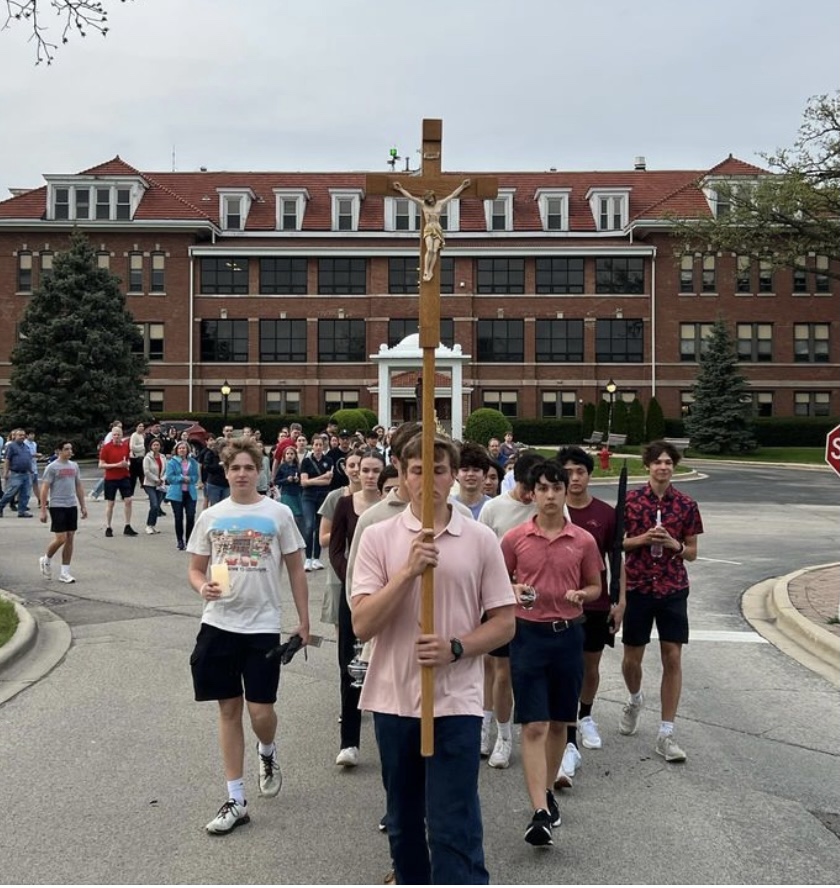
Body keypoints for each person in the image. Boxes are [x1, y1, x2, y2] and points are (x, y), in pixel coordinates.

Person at [351, 434, 516, 884]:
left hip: (455, 701)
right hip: (393, 699)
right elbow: (363, 623)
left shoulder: (480, 539)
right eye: (418, 470)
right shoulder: (378, 537)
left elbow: (504, 622)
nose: (429, 479)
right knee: (403, 823)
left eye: (439, 469)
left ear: (453, 475)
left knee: (452, 823)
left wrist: (456, 647)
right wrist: (408, 572)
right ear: (403, 478)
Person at [187, 437, 309, 835]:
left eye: (248, 468)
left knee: (261, 712)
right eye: (234, 468)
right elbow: (196, 568)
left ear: (260, 471)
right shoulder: (212, 516)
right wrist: (202, 586)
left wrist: (303, 622)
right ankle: (236, 798)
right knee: (228, 710)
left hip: (262, 627)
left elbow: (294, 569)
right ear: (225, 473)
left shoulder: (278, 513)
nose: (241, 474)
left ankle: (268, 751)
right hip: (219, 623)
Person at [500, 459, 602, 846]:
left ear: (565, 492)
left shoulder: (583, 541)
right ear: (533, 493)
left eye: (556, 488)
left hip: (568, 634)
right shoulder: (515, 538)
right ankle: (539, 809)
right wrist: (512, 590)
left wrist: (583, 595)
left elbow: (595, 586)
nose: (549, 495)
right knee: (535, 724)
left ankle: (548, 794)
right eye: (542, 488)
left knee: (560, 722)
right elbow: (496, 580)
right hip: (528, 634)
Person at [619, 440, 703, 763]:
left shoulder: (685, 504)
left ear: (674, 467)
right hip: (638, 587)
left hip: (672, 589)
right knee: (632, 660)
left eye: (668, 462)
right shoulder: (630, 501)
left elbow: (693, 552)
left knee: (672, 657)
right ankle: (635, 698)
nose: (663, 467)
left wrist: (673, 544)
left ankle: (666, 733)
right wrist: (642, 540)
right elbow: (617, 545)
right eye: (658, 462)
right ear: (648, 466)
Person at [553, 446, 626, 788]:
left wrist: (620, 601)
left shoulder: (604, 514)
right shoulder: (553, 510)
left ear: (589, 475)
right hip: (558, 606)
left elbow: (616, 559)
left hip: (595, 604)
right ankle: (566, 732)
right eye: (567, 472)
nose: (574, 478)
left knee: (590, 665)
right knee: (565, 669)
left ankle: (585, 714)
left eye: (580, 471)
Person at [477, 450, 546, 769]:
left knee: (529, 672)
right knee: (498, 671)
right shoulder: (494, 508)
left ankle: (532, 732)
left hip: (539, 604)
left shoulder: (546, 508)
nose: (533, 495)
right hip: (499, 600)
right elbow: (481, 555)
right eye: (529, 488)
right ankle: (499, 734)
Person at [329, 448, 386, 768]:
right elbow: (336, 548)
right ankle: (349, 741)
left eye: (375, 470)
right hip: (352, 592)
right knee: (350, 665)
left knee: (384, 661)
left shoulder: (390, 507)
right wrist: (351, 575)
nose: (369, 475)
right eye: (365, 469)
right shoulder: (345, 505)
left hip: (386, 593)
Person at [392, 178, 471, 281]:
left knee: (434, 250)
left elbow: (452, 195)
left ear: (434, 197)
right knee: (429, 249)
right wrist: (400, 189)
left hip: (437, 228)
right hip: (429, 227)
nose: (431, 201)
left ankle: (430, 271)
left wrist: (462, 186)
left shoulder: (440, 204)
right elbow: (410, 197)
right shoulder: (423, 205)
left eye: (432, 199)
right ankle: (425, 270)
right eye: (429, 200)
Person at [38, 442, 87, 583]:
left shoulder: (74, 466)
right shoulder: (52, 467)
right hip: (57, 505)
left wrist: (83, 505)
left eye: (70, 449)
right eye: (66, 449)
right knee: (61, 538)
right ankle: (46, 559)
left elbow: (78, 486)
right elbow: (44, 488)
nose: (69, 451)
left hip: (71, 505)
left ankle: (65, 572)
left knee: (70, 537)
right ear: (58, 451)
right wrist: (43, 509)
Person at [299, 435, 333, 571]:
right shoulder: (306, 462)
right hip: (308, 496)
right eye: (316, 445)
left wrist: (315, 480)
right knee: (308, 526)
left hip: (323, 496)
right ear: (312, 446)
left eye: (320, 445)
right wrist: (322, 476)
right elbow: (304, 482)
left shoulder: (328, 460)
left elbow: (328, 481)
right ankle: (307, 558)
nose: (318, 447)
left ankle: (317, 558)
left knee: (320, 527)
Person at [98, 424, 138, 537]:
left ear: (122, 435)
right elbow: (101, 465)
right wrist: (117, 465)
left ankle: (127, 525)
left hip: (124, 476)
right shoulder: (106, 448)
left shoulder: (125, 446)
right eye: (114, 435)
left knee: (128, 500)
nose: (116, 437)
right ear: (112, 435)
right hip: (111, 478)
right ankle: (108, 526)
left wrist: (127, 464)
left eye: (118, 435)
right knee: (111, 503)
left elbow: (129, 460)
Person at [164, 440, 200, 550]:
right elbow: (170, 478)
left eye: (184, 448)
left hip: (190, 493)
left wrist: (190, 479)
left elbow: (195, 477)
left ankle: (190, 540)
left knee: (190, 516)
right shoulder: (172, 462)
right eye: (180, 448)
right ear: (176, 450)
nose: (182, 450)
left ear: (187, 450)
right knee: (178, 517)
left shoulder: (193, 462)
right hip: (176, 494)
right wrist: (182, 478)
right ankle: (180, 540)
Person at [452, 442, 492, 519]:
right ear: (456, 474)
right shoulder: (449, 506)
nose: (470, 474)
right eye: (465, 470)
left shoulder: (492, 506)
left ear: (484, 475)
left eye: (476, 470)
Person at [0, 428, 34, 518]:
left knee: (25, 493)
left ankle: (22, 511)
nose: (22, 437)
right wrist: (5, 472)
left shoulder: (25, 446)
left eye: (23, 435)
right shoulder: (11, 446)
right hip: (16, 473)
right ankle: (0, 507)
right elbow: (7, 460)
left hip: (26, 473)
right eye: (20, 435)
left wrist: (31, 470)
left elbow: (27, 459)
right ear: (14, 436)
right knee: (10, 493)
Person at [274, 446, 305, 538]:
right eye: (287, 454)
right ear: (284, 456)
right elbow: (276, 481)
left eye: (292, 454)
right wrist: (286, 480)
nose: (289, 456)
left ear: (295, 456)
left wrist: (297, 480)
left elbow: (302, 480)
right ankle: (287, 535)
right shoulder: (282, 467)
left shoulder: (298, 467)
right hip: (286, 493)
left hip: (297, 493)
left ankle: (296, 535)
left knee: (298, 516)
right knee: (290, 515)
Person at [142, 438, 167, 534]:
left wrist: (162, 479)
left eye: (158, 445)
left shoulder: (163, 457)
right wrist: (156, 479)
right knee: (154, 504)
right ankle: (148, 525)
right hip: (150, 484)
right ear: (151, 446)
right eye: (154, 445)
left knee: (157, 506)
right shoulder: (147, 458)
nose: (156, 447)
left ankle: (153, 525)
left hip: (160, 484)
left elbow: (166, 470)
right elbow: (146, 471)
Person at [202, 438, 230, 507]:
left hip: (226, 484)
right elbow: (206, 467)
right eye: (222, 446)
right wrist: (219, 466)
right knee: (215, 505)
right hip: (214, 483)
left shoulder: (229, 455)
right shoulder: (210, 454)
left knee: (225, 505)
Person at [128, 422, 146, 495]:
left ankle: (149, 493)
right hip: (135, 459)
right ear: (136, 427)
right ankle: (129, 493)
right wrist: (143, 447)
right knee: (133, 478)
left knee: (143, 477)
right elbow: (132, 447)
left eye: (142, 426)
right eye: (140, 426)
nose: (142, 427)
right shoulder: (134, 435)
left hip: (142, 458)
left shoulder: (142, 435)